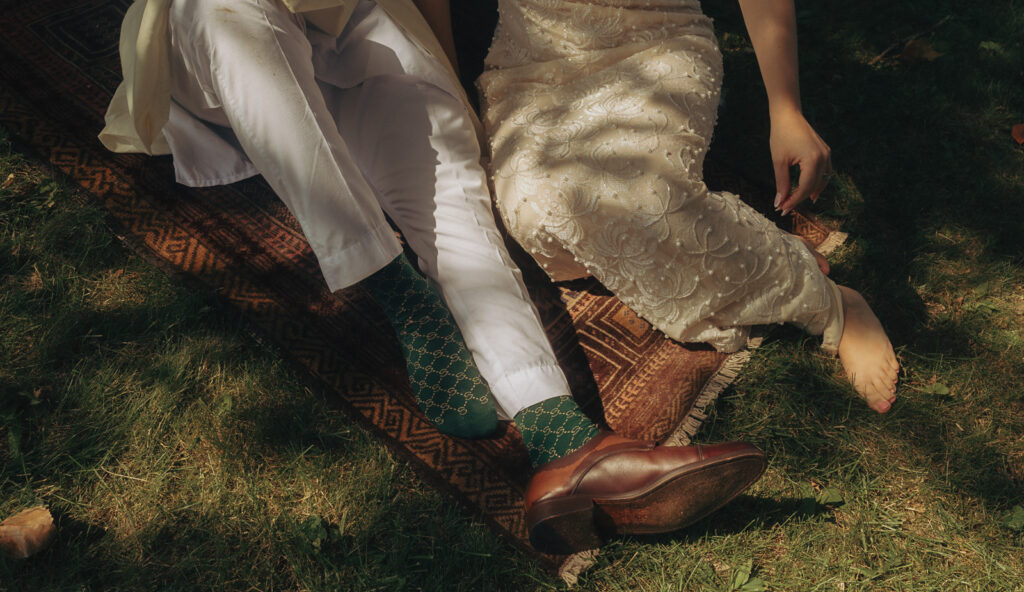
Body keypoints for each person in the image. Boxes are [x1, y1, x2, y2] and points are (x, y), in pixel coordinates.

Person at [98, 0, 767, 555]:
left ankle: (564, 439)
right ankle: (400, 295)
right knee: (229, 13)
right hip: (222, 39)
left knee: (450, 192)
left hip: (357, 27)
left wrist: (445, 78)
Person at [478, 0, 900, 414]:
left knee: (638, 203)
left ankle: (833, 303)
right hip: (530, 64)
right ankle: (742, 241)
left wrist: (786, 110)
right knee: (536, 221)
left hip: (650, 40)